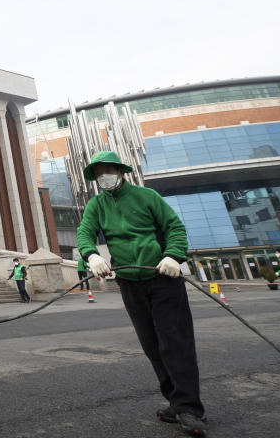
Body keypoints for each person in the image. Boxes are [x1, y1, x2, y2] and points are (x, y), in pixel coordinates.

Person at [77, 151, 208, 437]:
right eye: (98, 174)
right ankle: (175, 401)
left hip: (162, 277)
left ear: (120, 171)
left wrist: (174, 255)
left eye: (107, 171)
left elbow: (174, 227)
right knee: (151, 345)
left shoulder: (147, 197)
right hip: (129, 281)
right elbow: (85, 233)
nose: (103, 177)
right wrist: (90, 255)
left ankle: (189, 408)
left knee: (175, 342)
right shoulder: (96, 205)